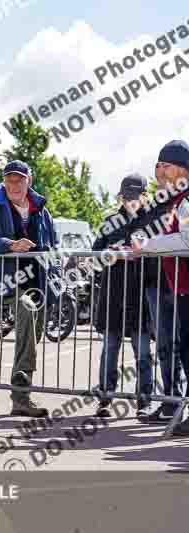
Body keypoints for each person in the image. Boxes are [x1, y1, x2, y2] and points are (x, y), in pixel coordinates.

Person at [0, 160, 61, 418]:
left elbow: (54, 246)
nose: (14, 184)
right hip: (8, 281)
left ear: (28, 181)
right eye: (9, 179)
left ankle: (22, 391)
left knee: (34, 329)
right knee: (26, 309)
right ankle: (21, 390)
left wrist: (57, 277)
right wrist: (10, 244)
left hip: (40, 281)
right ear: (4, 181)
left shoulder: (41, 209)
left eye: (19, 179)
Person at [133, 140, 189, 435]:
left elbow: (187, 240)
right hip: (181, 286)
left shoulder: (185, 201)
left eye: (165, 164)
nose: (160, 170)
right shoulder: (176, 200)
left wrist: (148, 245)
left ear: (181, 168)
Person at [91, 174, 154, 418]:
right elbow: (94, 253)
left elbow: (160, 253)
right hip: (113, 294)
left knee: (143, 351)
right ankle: (105, 399)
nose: (131, 202)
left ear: (145, 196)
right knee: (110, 348)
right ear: (121, 196)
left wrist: (143, 253)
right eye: (127, 197)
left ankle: (145, 401)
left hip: (141, 295)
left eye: (135, 197)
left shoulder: (153, 221)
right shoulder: (110, 222)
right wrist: (110, 253)